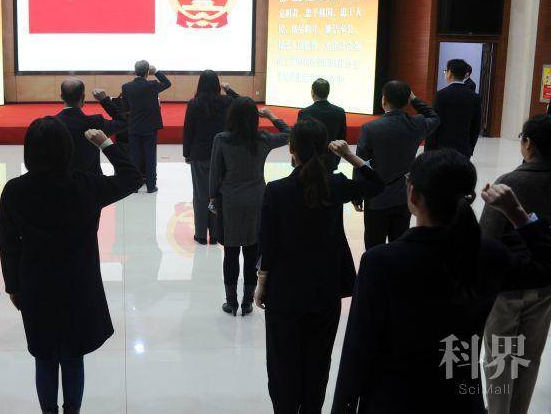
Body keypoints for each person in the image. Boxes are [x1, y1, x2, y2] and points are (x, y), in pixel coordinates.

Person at [331, 149, 551, 414]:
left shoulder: (381, 262)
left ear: (413, 195)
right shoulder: (489, 255)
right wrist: (518, 215)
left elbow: (358, 350)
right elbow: (545, 268)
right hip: (460, 399)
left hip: (394, 402)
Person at [0, 118, 142, 414]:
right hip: (79, 284)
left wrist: (13, 287)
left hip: (35, 285)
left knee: (44, 357)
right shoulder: (86, 185)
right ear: (68, 149)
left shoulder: (14, 190)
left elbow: (9, 245)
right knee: (74, 357)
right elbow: (132, 178)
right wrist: (106, 144)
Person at [254, 119, 384, 414]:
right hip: (325, 291)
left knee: (282, 363)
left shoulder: (277, 190)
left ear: (291, 148)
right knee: (318, 361)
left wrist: (261, 284)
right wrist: (349, 155)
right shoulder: (335, 186)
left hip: (284, 292)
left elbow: (268, 245)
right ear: (325, 148)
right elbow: (375, 184)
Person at [480, 114, 551, 414]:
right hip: (544, 286)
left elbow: (487, 239)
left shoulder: (510, 183)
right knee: (529, 357)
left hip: (506, 290)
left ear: (528, 144)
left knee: (500, 358)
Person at [209, 97, 290, 316]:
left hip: (230, 200)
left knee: (230, 253)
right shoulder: (263, 138)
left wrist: (212, 198)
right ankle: (247, 302)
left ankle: (231, 302)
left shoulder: (221, 139)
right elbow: (291, 134)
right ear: (255, 118)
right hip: (257, 200)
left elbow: (215, 173)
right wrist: (272, 116)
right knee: (253, 252)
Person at [354, 81, 440, 249]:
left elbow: (361, 164)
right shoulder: (417, 124)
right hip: (403, 197)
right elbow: (434, 117)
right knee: (400, 246)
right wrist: (415, 100)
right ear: (407, 100)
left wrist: (357, 193)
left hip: (376, 198)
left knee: (374, 247)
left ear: (384, 100)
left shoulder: (370, 128)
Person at [182, 70, 238, 245]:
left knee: (200, 195)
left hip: (199, 155)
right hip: (221, 155)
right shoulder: (227, 102)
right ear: (217, 84)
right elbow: (244, 103)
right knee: (217, 194)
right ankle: (215, 234)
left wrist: (187, 153)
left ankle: (200, 234)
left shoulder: (194, 103)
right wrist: (229, 90)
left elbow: (188, 130)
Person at [56, 78, 126, 175]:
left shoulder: (50, 124)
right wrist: (104, 100)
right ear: (83, 97)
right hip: (91, 179)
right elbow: (123, 122)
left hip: (61, 180)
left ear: (61, 97)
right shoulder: (95, 122)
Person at [121, 60, 171, 193]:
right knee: (150, 157)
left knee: (134, 157)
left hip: (134, 126)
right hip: (150, 127)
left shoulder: (126, 87)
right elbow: (167, 83)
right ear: (148, 72)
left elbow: (125, 107)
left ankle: (134, 186)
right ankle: (150, 186)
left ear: (135, 71)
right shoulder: (152, 85)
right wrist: (156, 72)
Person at [426, 59, 482, 158]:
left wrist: (429, 150)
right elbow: (476, 126)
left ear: (450, 73)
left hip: (442, 147)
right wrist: (470, 148)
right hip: (464, 148)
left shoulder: (441, 95)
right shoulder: (475, 97)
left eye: (446, 71)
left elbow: (435, 123)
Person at [297, 78, 347, 170]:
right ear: (328, 92)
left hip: (308, 162)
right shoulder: (340, 112)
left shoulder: (304, 113)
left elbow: (299, 139)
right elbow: (342, 138)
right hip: (331, 161)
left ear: (312, 93)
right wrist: (335, 160)